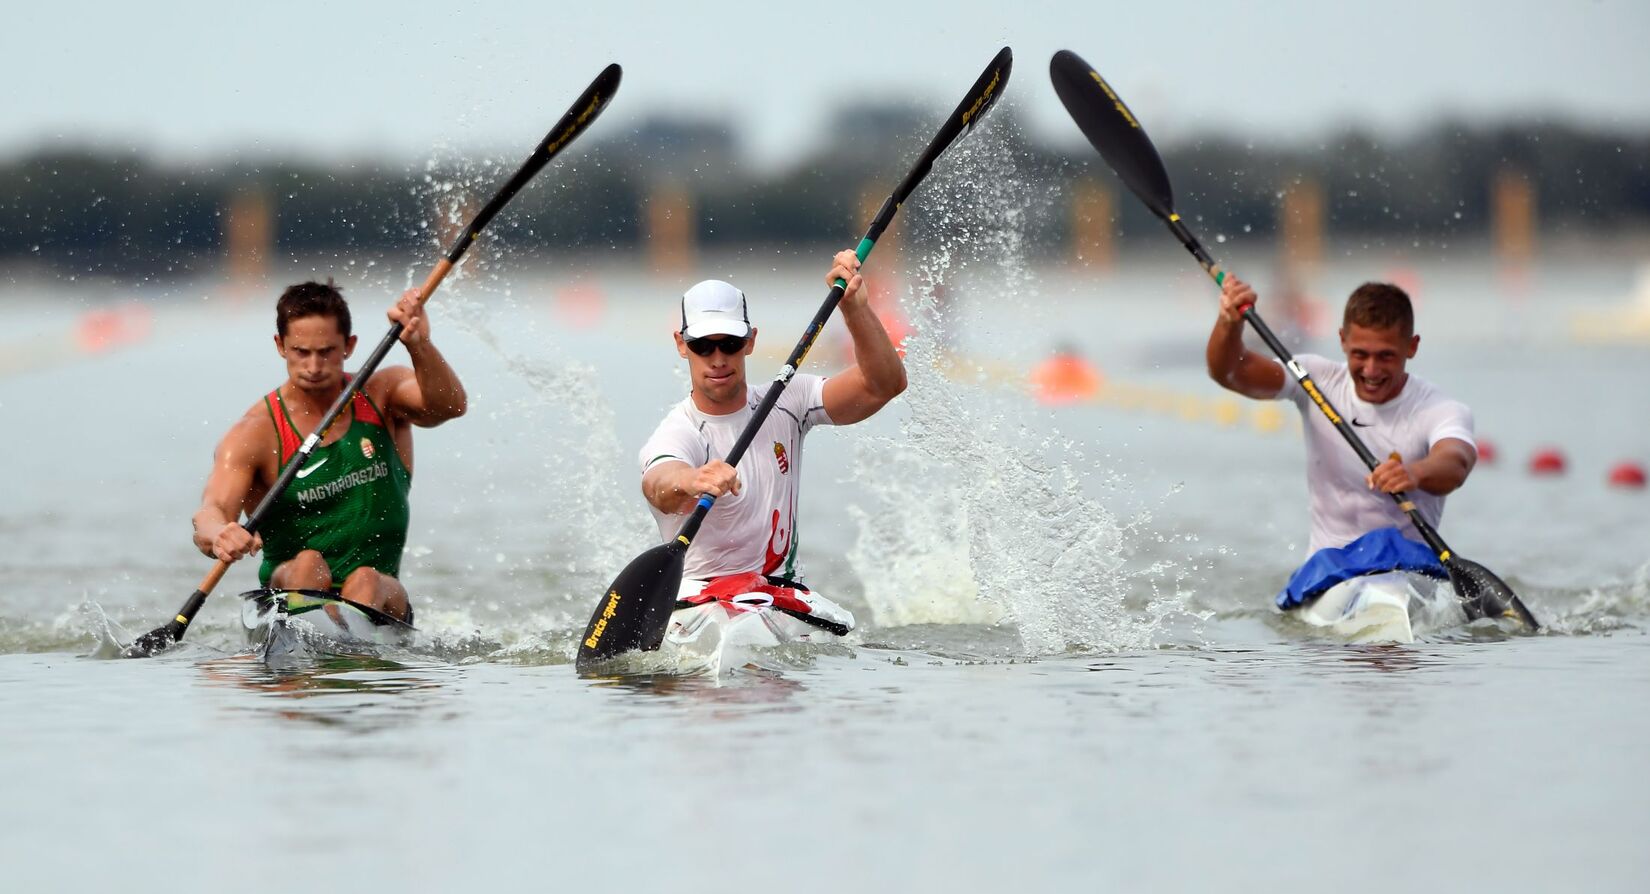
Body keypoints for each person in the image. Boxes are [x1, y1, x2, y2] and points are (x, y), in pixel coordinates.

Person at [638, 249, 906, 609]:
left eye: (730, 344)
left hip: (777, 593)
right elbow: (657, 484)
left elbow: (883, 385)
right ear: (681, 345)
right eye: (703, 346)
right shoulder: (680, 431)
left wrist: (854, 310)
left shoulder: (789, 401)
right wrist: (692, 480)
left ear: (751, 340)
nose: (718, 359)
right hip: (699, 601)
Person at [191, 281, 467, 623]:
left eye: (326, 352)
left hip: (380, 597)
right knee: (309, 564)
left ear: (349, 346)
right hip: (292, 587)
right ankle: (324, 634)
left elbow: (449, 406)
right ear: (280, 346)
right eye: (301, 352)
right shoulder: (256, 433)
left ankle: (341, 638)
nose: (314, 366)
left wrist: (419, 345)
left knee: (366, 579)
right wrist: (219, 533)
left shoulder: (383, 395)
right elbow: (211, 510)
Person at [1205, 276, 1476, 568]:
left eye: (1386, 356)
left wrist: (1416, 472)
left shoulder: (1439, 409)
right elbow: (1230, 373)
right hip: (1330, 571)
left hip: (1410, 570)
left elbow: (1456, 462)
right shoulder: (1312, 378)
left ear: (1412, 347)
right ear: (1342, 340)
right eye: (1360, 354)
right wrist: (1228, 323)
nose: (1371, 370)